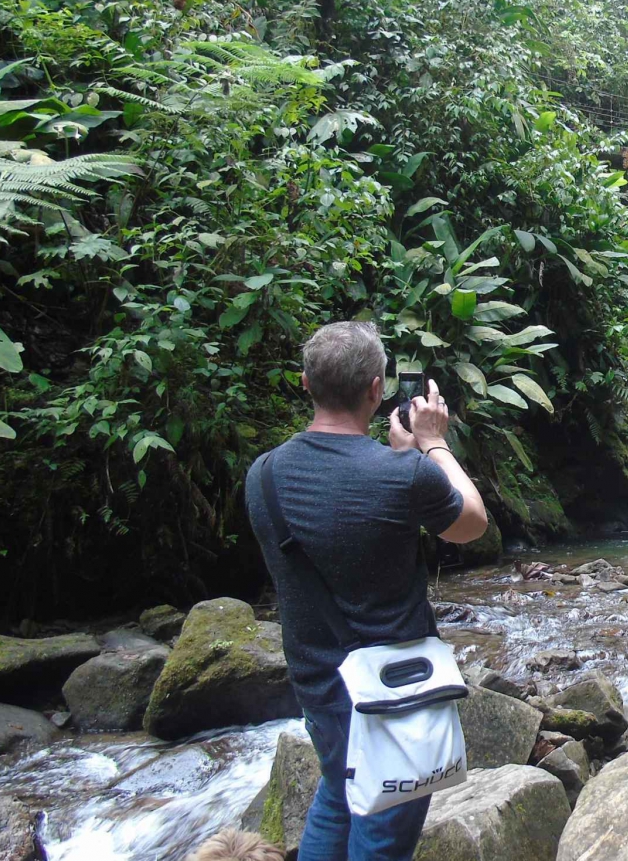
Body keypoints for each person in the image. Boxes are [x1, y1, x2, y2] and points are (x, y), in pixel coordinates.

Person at [246, 321, 491, 861]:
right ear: (378, 390)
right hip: (395, 693)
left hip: (319, 686)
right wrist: (431, 444)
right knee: (380, 834)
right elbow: (472, 523)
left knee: (339, 792)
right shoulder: (403, 475)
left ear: (306, 384)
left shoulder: (262, 476)